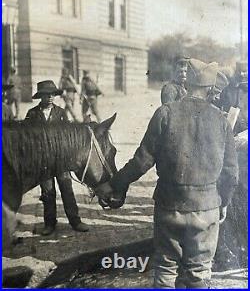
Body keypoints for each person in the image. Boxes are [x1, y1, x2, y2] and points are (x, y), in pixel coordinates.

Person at [96, 58, 238, 288]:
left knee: (165, 269)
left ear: (186, 84)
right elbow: (231, 173)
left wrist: (114, 185)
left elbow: (141, 161)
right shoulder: (221, 121)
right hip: (207, 208)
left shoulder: (164, 113)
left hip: (169, 206)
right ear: (211, 89)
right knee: (199, 272)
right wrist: (223, 203)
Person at [25, 80, 89, 235]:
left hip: (61, 160)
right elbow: (26, 137)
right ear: (41, 96)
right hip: (43, 161)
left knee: (67, 189)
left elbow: (68, 135)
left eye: (53, 94)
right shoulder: (32, 114)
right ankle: (50, 223)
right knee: (47, 192)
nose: (50, 97)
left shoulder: (60, 113)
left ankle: (75, 221)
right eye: (47, 95)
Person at [218, 62, 248, 135]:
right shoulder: (227, 89)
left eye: (244, 71)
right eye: (239, 71)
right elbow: (221, 108)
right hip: (232, 130)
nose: (241, 74)